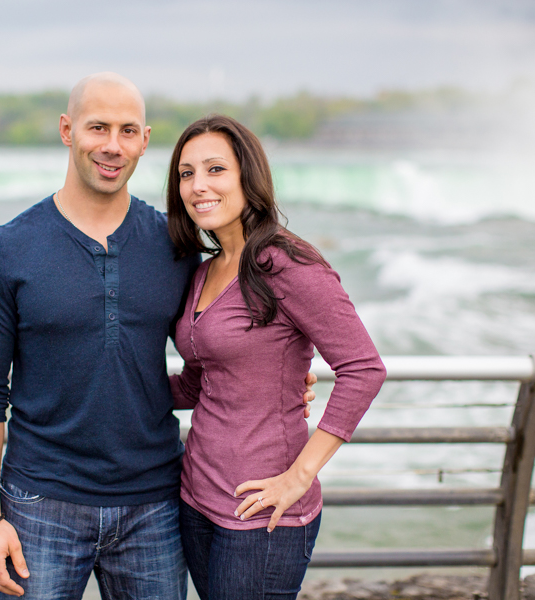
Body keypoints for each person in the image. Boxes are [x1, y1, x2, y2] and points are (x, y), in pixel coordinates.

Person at [0, 73, 318, 600]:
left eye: (128, 131)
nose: (112, 146)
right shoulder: (6, 251)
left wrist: (279, 380)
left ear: (145, 141)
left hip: (156, 503)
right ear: (66, 130)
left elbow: (215, 351)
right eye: (97, 127)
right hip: (40, 504)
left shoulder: (176, 246)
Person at [166, 115, 386, 600]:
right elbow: (200, 382)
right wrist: (101, 387)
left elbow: (363, 369)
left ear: (248, 176)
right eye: (186, 173)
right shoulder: (203, 273)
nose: (198, 185)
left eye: (215, 169)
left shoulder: (284, 263)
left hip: (263, 514)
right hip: (196, 497)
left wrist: (298, 477)